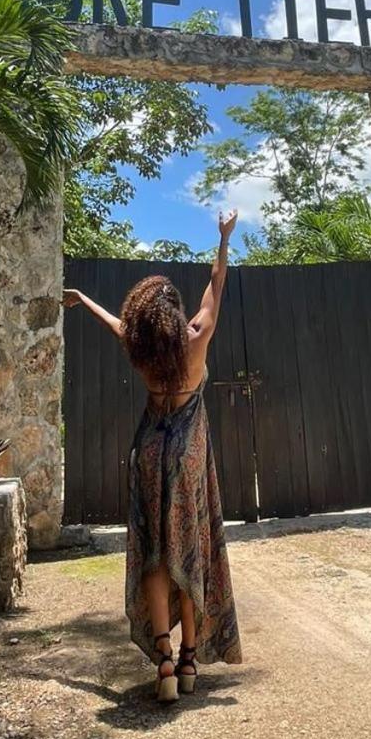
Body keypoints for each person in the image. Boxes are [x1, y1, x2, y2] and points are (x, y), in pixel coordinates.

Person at [63, 210, 243, 702]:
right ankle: (188, 662)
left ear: (144, 319)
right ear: (173, 313)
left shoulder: (142, 350)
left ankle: (163, 658)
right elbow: (216, 281)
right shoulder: (195, 339)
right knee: (189, 548)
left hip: (148, 449)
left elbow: (117, 325)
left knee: (155, 553)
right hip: (187, 453)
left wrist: (82, 299)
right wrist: (223, 237)